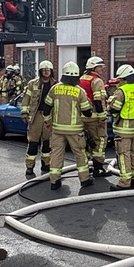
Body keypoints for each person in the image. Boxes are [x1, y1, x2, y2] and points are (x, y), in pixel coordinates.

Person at [43, 61, 94, 190]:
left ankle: (54, 181)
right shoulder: (80, 92)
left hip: (57, 129)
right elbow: (87, 113)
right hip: (75, 131)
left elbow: (46, 108)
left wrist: (48, 122)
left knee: (56, 154)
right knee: (80, 154)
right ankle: (85, 180)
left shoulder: (54, 88)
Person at [108, 64, 134, 191]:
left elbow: (114, 109)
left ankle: (124, 182)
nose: (119, 82)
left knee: (123, 155)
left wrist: (110, 106)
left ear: (124, 79)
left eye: (120, 80)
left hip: (122, 130)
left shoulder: (122, 91)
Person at [21, 60, 55, 177]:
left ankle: (46, 164)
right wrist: (24, 113)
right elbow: (26, 99)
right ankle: (30, 167)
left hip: (49, 117)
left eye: (48, 70)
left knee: (47, 142)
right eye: (44, 70)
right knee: (33, 142)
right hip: (36, 116)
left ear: (51, 71)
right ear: (41, 71)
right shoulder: (32, 84)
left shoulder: (55, 85)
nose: (46, 72)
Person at [79, 56, 109, 177]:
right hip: (94, 118)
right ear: (93, 67)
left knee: (86, 142)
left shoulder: (81, 79)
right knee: (100, 140)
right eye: (100, 66)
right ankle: (98, 168)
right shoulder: (97, 81)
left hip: (82, 117)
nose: (102, 68)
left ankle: (86, 167)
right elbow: (98, 101)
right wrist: (102, 118)